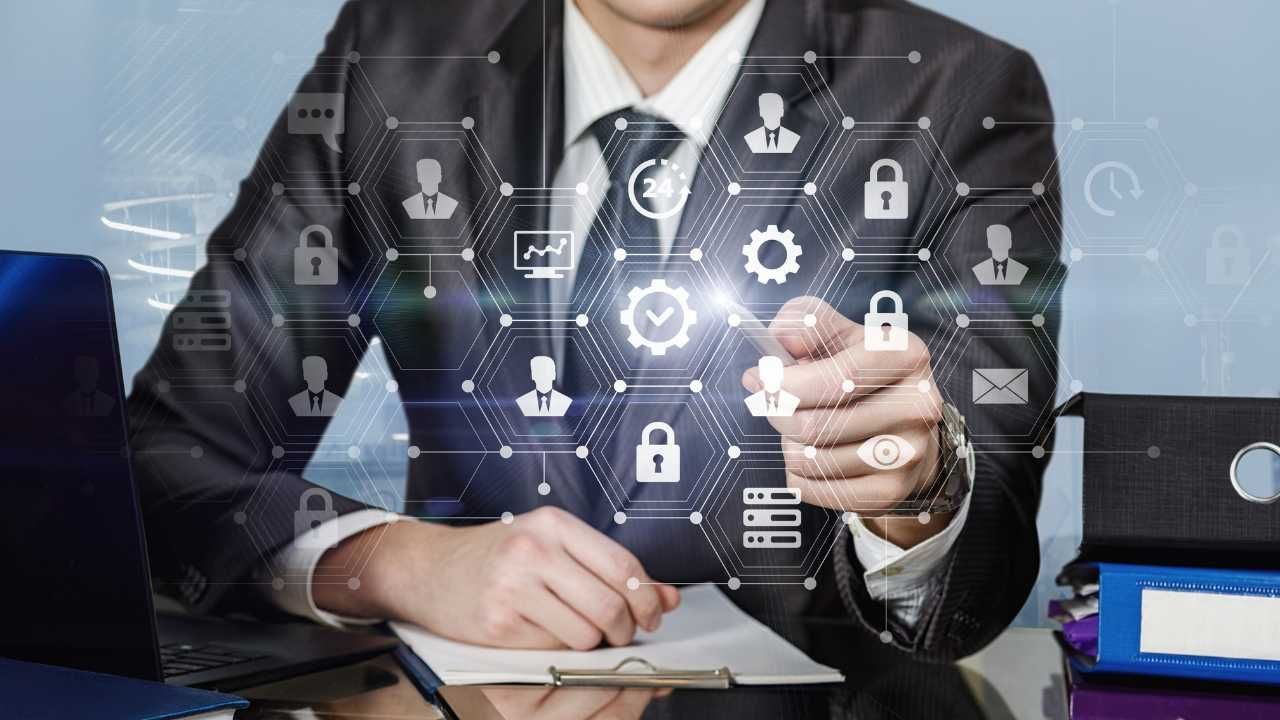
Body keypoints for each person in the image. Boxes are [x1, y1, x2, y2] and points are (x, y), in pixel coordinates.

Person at [129, 0, 1061, 663]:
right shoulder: (395, 57)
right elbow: (167, 460)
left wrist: (915, 495)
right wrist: (390, 562)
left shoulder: (957, 92)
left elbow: (977, 576)